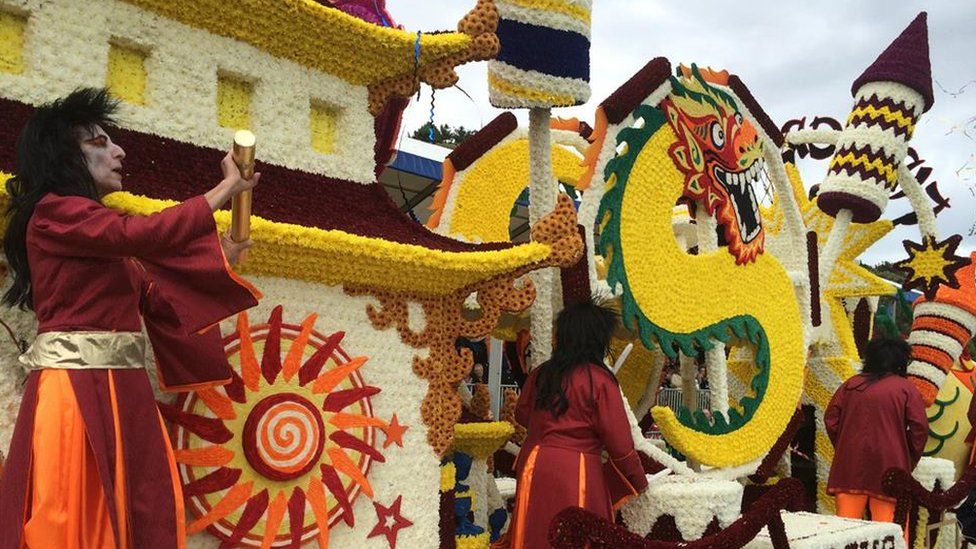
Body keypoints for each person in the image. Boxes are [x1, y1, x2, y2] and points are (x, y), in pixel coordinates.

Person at [0, 88, 262, 548]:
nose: (119, 150)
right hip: (73, 390)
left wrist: (225, 255)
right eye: (98, 142)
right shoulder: (54, 214)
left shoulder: (98, 234)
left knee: (136, 512)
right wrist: (226, 189)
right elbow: (145, 234)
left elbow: (159, 300)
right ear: (64, 156)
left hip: (125, 390)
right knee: (69, 516)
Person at [502, 300, 648, 549]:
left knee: (532, 532)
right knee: (575, 535)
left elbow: (523, 414)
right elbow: (620, 443)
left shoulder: (541, 373)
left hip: (534, 463)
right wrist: (638, 479)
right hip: (577, 466)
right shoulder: (599, 380)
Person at [825, 337, 928, 527]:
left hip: (850, 464)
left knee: (844, 529)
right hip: (890, 467)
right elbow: (919, 429)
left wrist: (845, 446)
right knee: (890, 529)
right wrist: (907, 458)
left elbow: (831, 420)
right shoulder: (906, 389)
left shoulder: (850, 385)